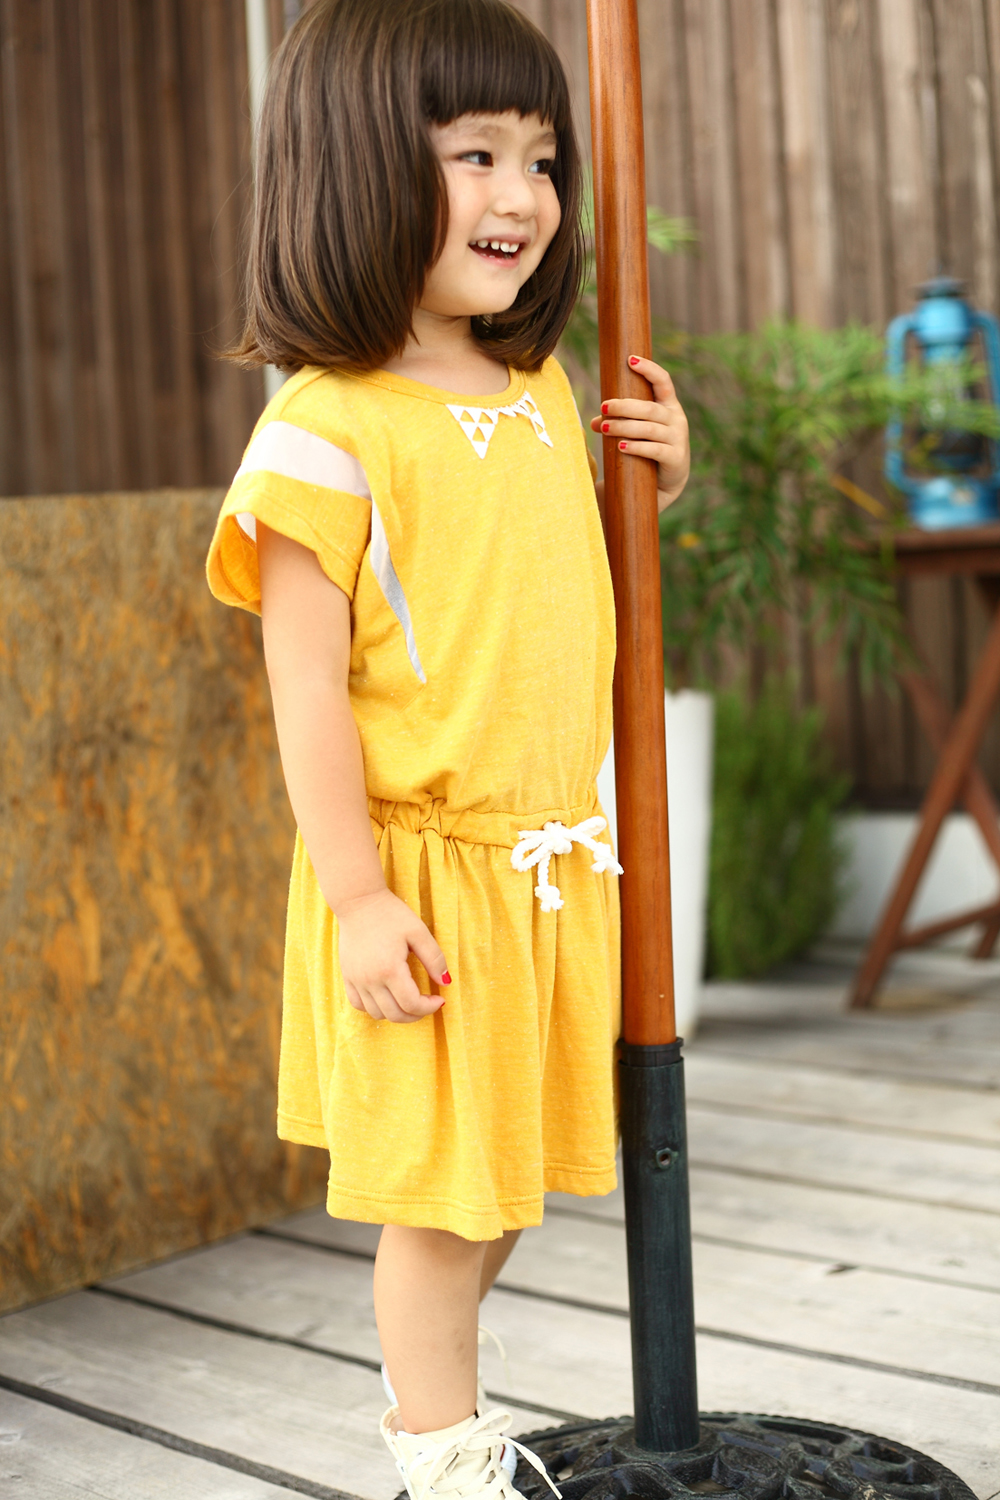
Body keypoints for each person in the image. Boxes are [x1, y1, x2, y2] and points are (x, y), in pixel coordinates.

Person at [206, 0, 689, 1494]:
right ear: (356, 166)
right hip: (421, 877)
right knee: (440, 1199)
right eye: (475, 154)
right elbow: (303, 684)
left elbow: (544, 586)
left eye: (541, 159)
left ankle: (436, 1403)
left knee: (504, 1186)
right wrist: (358, 897)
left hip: (544, 863)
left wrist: (655, 490)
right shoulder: (326, 427)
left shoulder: (539, 389)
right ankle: (439, 1449)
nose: (521, 195)